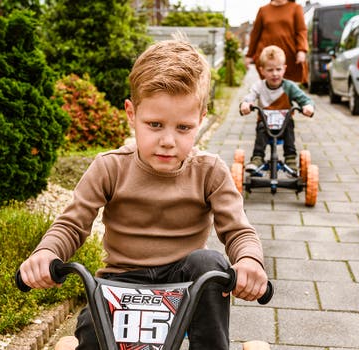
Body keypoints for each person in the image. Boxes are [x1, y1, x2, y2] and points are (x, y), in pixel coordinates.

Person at [19, 38, 268, 350]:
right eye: (154, 124)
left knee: (210, 263)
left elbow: (238, 229)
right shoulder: (109, 168)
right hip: (123, 282)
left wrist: (248, 261)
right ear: (131, 114)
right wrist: (46, 253)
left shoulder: (210, 171)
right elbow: (72, 224)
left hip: (186, 286)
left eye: (183, 128)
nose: (167, 140)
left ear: (200, 120)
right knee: (89, 326)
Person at [240, 45, 314, 174]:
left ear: (284, 69)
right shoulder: (259, 86)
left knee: (290, 127)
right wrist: (246, 104)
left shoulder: (289, 86)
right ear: (262, 70)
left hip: (284, 124)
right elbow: (250, 96)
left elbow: (304, 99)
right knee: (261, 129)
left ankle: (290, 159)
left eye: (278, 69)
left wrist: (308, 106)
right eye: (270, 70)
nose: (275, 74)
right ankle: (257, 158)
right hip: (265, 124)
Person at [245, 0, 309, 84]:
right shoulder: (263, 10)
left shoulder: (296, 8)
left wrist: (301, 50)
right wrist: (249, 55)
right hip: (268, 59)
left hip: (289, 58)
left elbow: (301, 31)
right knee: (270, 90)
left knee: (288, 91)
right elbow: (255, 34)